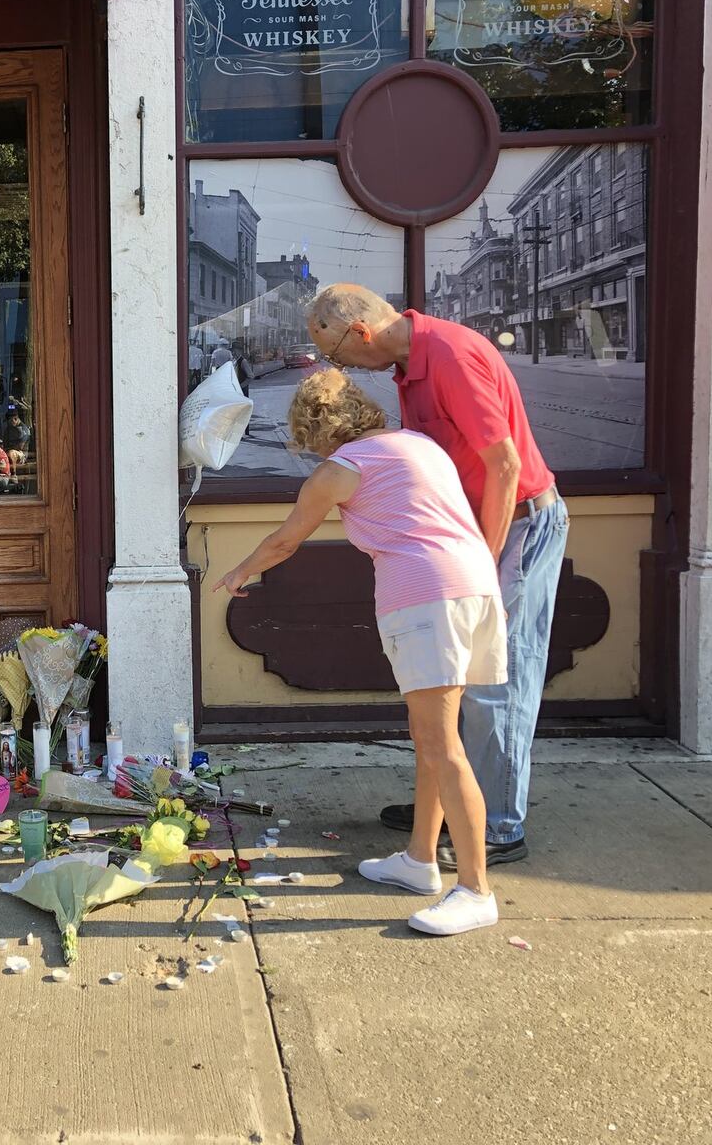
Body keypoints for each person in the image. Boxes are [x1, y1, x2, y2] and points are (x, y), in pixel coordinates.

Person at [214, 368, 503, 935]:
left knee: (443, 748)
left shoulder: (338, 470)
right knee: (432, 739)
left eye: (302, 438)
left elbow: (285, 541)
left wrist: (239, 571)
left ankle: (476, 889)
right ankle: (420, 860)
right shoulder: (417, 445)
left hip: (425, 599)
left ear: (316, 431)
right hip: (473, 587)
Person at [306, 283, 565, 867]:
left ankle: (498, 827)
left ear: (361, 333)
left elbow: (504, 465)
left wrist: (486, 563)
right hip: (475, 533)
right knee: (456, 681)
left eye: (335, 354)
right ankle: (452, 806)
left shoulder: (448, 354)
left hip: (516, 526)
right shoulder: (409, 367)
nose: (338, 367)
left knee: (495, 682)